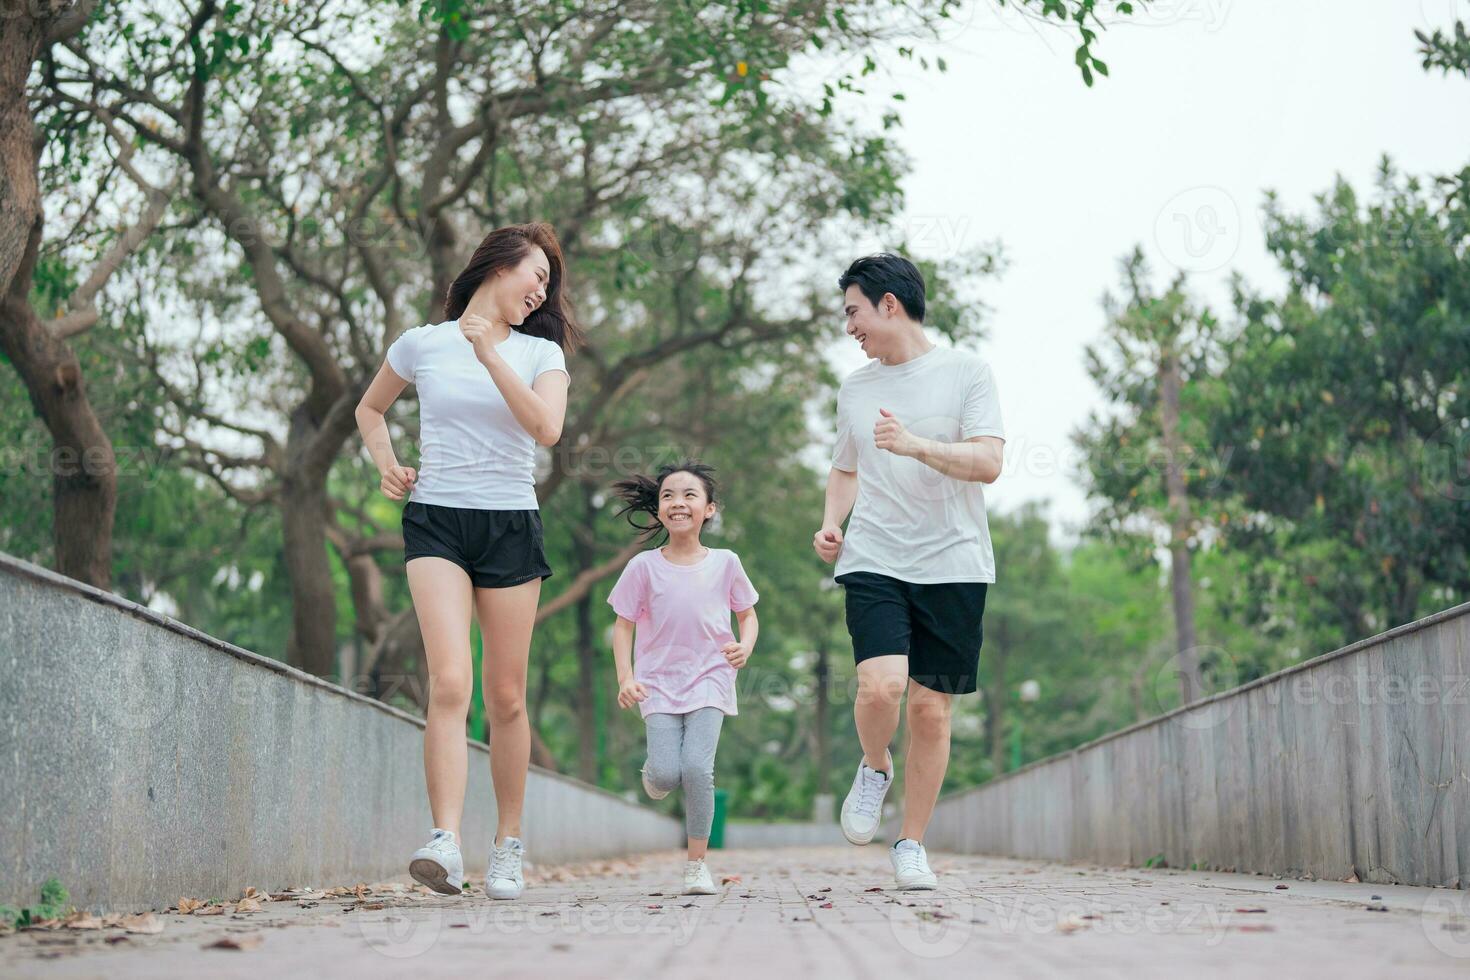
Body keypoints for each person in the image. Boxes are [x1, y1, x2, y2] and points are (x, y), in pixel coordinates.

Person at [354, 222, 582, 901]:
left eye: (548, 285)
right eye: (535, 274)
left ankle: (507, 843)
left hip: (510, 524)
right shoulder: (421, 343)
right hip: (437, 522)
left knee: (506, 696)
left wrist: (491, 356)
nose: (541, 290)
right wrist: (388, 464)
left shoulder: (541, 354)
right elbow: (371, 409)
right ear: (497, 264)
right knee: (450, 681)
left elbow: (546, 430)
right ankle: (445, 842)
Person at [813, 253, 1005, 890]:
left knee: (931, 713)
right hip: (875, 555)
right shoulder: (856, 388)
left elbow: (988, 464)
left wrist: (916, 445)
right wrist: (833, 520)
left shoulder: (966, 372)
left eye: (853, 311)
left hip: (954, 562)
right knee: (881, 689)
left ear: (888, 304)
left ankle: (911, 843)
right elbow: (845, 467)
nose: (850, 327)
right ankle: (874, 766)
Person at [606, 461, 760, 895]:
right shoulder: (642, 567)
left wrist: (744, 646)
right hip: (656, 683)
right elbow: (623, 625)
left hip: (711, 677)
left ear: (709, 509)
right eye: (668, 496)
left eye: (690, 495)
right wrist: (625, 678)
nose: (678, 502)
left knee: (697, 768)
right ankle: (653, 776)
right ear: (658, 512)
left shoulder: (727, 562)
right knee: (666, 774)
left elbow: (747, 616)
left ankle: (696, 866)